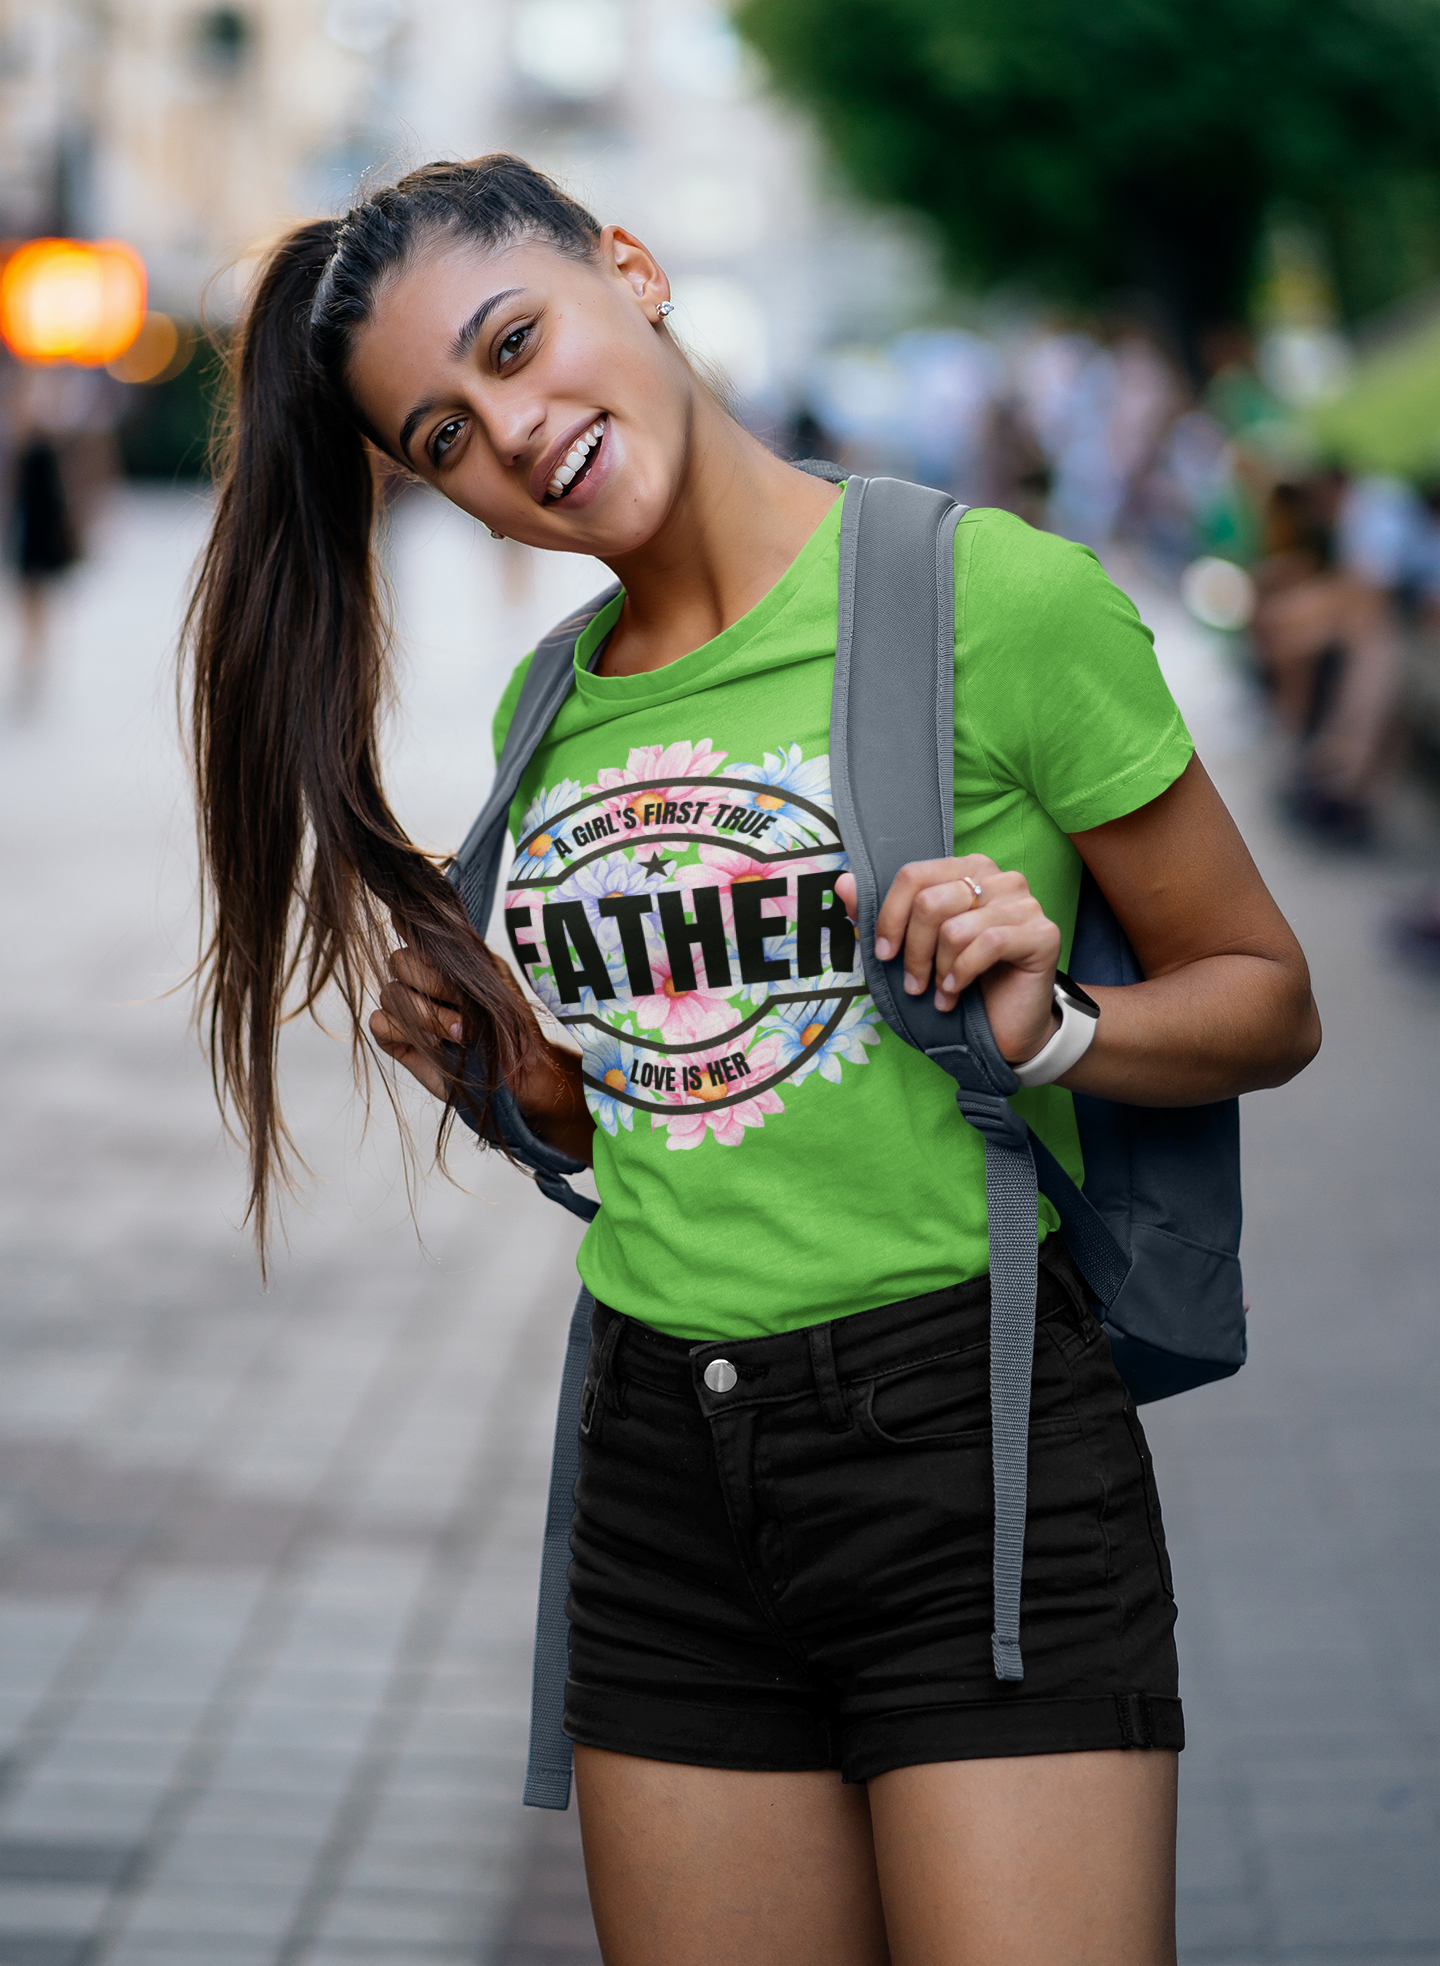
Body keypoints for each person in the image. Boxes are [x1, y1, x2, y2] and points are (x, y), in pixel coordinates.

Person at [186, 156, 1321, 1966]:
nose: (516, 429)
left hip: (975, 1454)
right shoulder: (543, 713)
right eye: (448, 433)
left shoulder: (996, 601)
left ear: (628, 269)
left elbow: (1267, 991)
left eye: (517, 340)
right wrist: (533, 1097)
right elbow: (657, 1120)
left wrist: (1062, 1027)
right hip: (657, 1472)